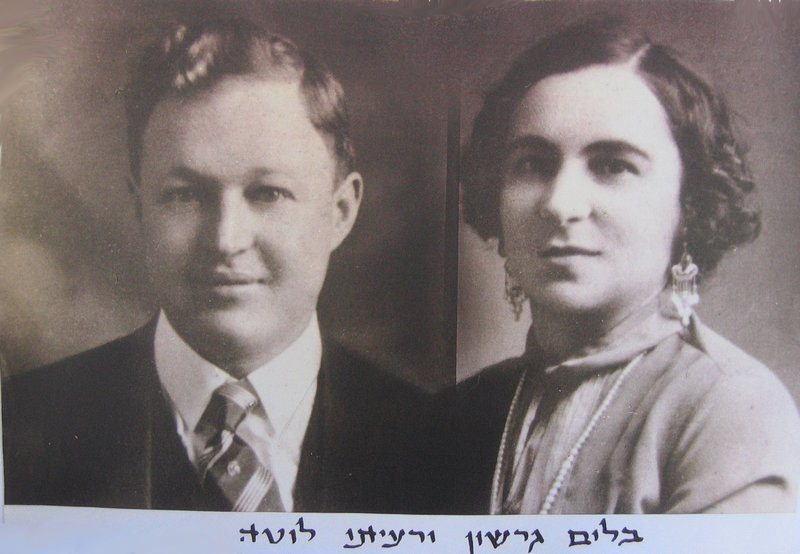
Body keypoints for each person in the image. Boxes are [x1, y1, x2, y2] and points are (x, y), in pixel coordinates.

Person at [2, 19, 430, 513]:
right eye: (185, 195)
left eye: (267, 193)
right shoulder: (20, 426)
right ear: (140, 210)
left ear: (340, 212)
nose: (226, 240)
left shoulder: (434, 441)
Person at [455, 16, 800, 514]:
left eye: (612, 165)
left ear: (689, 206)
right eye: (533, 164)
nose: (560, 203)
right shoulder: (462, 412)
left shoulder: (730, 414)